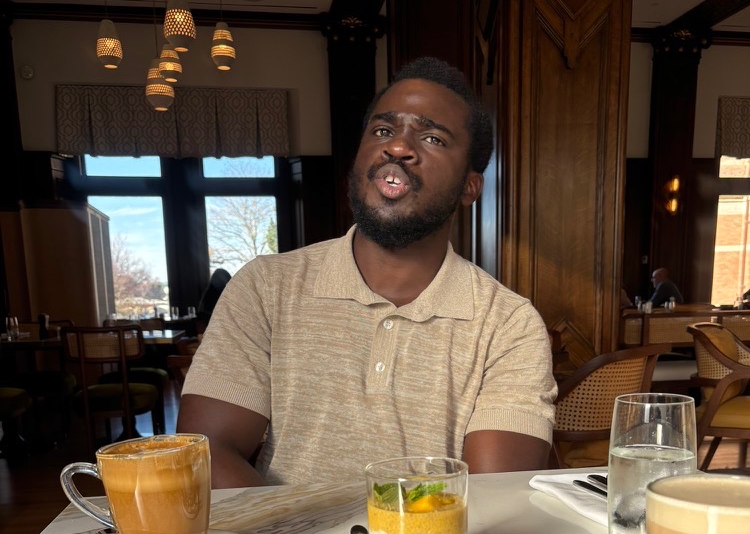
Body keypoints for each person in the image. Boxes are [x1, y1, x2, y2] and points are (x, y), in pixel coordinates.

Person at [177, 57, 556, 487]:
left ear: (470, 186)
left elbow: (494, 497)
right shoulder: (267, 286)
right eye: (382, 131)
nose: (397, 147)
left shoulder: (509, 324)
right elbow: (204, 451)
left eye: (432, 137)